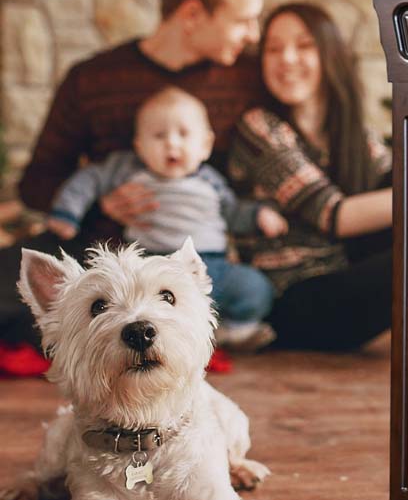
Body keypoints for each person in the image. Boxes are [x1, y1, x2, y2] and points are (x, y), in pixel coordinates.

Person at [0, 0, 271, 349]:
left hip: (199, 264)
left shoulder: (245, 79)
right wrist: (101, 203)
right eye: (242, 20)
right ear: (193, 14)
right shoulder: (92, 78)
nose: (254, 34)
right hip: (106, 261)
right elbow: (35, 182)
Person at [46, 86, 289, 350]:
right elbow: (87, 179)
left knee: (254, 287)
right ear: (139, 146)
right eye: (159, 136)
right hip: (148, 266)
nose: (172, 143)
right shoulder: (129, 170)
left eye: (184, 135)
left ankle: (234, 330)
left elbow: (231, 212)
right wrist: (67, 213)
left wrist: (259, 215)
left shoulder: (210, 181)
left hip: (212, 266)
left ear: (205, 146)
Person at [227, 3, 392, 352]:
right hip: (291, 301)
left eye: (303, 45)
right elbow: (334, 216)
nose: (286, 58)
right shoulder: (259, 128)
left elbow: (397, 182)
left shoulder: (355, 136)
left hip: (345, 281)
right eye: (273, 48)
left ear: (329, 54)